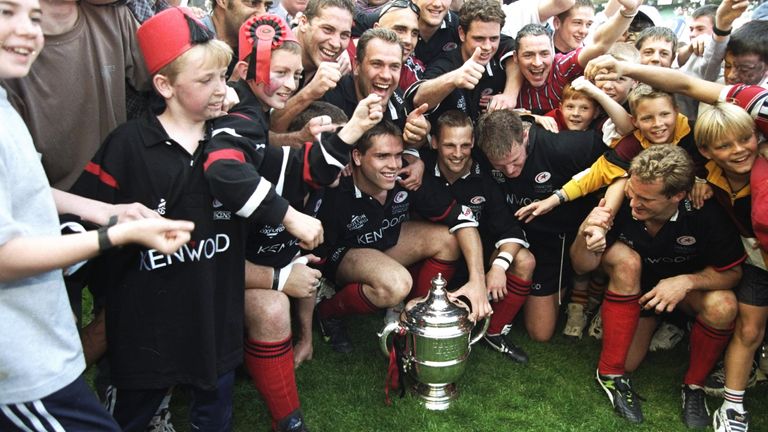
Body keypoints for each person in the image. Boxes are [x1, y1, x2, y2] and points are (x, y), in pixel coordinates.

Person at [70, 9, 275, 430]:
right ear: (164, 85)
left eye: (223, 76)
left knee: (214, 415)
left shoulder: (230, 140)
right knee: (130, 416)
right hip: (144, 329)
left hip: (215, 322)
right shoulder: (128, 145)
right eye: (206, 80)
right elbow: (80, 216)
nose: (222, 89)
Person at [0, 1, 193, 429]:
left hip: (39, 350)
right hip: (22, 370)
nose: (28, 30)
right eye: (6, 13)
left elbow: (30, 187)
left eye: (34, 18)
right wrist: (114, 237)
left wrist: (108, 211)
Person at [204, 14, 382, 430]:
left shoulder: (253, 115)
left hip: (219, 257)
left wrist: (354, 129)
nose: (288, 83)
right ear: (247, 70)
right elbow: (225, 171)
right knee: (269, 303)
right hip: (189, 260)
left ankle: (284, 414)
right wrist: (291, 221)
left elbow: (299, 166)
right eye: (279, 72)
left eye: (295, 74)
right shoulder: (241, 115)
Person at [570, 145, 744, 427]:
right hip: (641, 293)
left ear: (677, 196)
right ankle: (611, 374)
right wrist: (586, 231)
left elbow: (733, 273)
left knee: (724, 305)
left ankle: (694, 386)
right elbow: (581, 265)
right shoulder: (623, 199)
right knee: (627, 264)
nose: (634, 203)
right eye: (632, 192)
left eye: (646, 199)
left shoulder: (705, 211)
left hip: (684, 293)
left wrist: (686, 282)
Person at [314, 120, 493, 353]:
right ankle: (327, 312)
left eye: (398, 155)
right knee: (396, 284)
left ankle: (412, 317)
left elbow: (465, 220)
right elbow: (316, 250)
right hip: (344, 256)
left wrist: (477, 281)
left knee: (449, 240)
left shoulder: (408, 176)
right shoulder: (338, 187)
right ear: (357, 157)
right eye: (382, 156)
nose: (393, 165)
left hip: (386, 244)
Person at [475, 109, 606, 342]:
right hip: (508, 236)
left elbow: (618, 160)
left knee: (540, 333)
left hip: (553, 243)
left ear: (525, 136)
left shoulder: (565, 147)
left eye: (515, 161)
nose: (510, 172)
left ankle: (567, 288)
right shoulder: (481, 149)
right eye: (500, 166)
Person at [425, 110, 535, 363]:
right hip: (432, 260)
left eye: (465, 145)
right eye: (449, 145)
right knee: (447, 238)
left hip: (478, 260)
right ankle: (419, 316)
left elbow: (511, 229)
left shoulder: (484, 175)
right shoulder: (418, 169)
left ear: (473, 143)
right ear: (434, 143)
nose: (458, 153)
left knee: (525, 260)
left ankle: (492, 331)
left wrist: (498, 266)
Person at [691, 103, 768, 432]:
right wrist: (699, 179)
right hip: (756, 262)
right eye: (725, 145)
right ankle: (732, 405)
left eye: (745, 139)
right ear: (707, 151)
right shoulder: (708, 171)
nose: (739, 150)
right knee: (749, 329)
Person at [513, 0, 640, 114]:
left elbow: (600, 44)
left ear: (552, 53)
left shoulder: (561, 66)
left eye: (544, 54)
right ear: (515, 58)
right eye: (528, 55)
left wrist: (629, 11)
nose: (537, 62)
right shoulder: (505, 72)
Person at [408, 0, 508, 125]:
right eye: (479, 38)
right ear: (461, 33)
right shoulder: (445, 62)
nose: (487, 46)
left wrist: (509, 95)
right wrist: (454, 78)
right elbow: (419, 99)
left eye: (494, 38)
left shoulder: (502, 63)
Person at [269, 0, 355, 134]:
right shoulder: (271, 53)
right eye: (327, 30)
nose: (336, 44)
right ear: (303, 23)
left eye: (344, 35)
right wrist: (310, 92)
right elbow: (263, 128)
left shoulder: (340, 67)